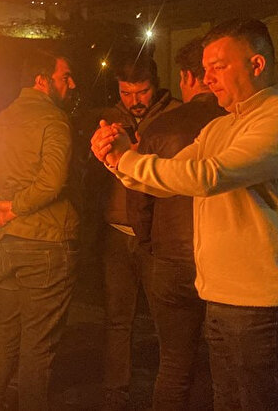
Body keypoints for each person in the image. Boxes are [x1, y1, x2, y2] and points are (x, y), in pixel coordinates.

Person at [91, 18, 278, 410]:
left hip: (266, 306)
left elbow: (207, 176)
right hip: (221, 298)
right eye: (205, 69)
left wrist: (127, 159)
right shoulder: (221, 127)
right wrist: (116, 159)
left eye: (218, 66)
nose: (208, 78)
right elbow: (167, 180)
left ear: (256, 64)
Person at [0, 49, 80, 410]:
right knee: (38, 343)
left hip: (4, 246)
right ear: (42, 80)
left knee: (5, 331)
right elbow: (52, 182)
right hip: (46, 245)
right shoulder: (54, 121)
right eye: (65, 77)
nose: (72, 84)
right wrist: (11, 208)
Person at [126, 39, 225, 410]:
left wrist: (148, 244)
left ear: (187, 77)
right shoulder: (236, 125)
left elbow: (140, 200)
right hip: (222, 260)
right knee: (224, 366)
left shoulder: (161, 127)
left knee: (174, 362)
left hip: (170, 261)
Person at [98, 57, 179, 409]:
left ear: (155, 84)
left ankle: (172, 387)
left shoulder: (175, 116)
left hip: (159, 234)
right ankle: (116, 392)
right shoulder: (108, 119)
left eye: (142, 92)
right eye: (126, 93)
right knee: (118, 318)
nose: (134, 101)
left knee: (167, 319)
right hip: (117, 233)